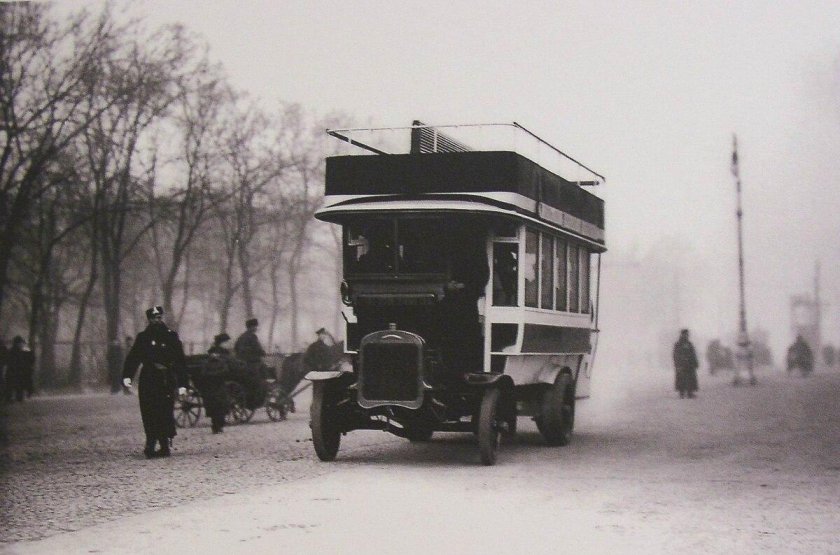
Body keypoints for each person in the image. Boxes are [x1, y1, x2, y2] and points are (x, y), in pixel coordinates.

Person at [122, 306, 188, 458]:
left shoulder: (171, 336)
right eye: (154, 318)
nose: (157, 320)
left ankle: (165, 445)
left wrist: (183, 385)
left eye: (159, 317)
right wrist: (127, 376)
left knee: (165, 411)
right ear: (149, 320)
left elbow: (180, 361)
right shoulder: (143, 337)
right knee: (149, 412)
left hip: (166, 380)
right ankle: (150, 444)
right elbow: (134, 358)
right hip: (149, 379)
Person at [201, 333, 233, 434]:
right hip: (214, 387)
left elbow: (224, 371)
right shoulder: (209, 363)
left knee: (220, 406)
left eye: (216, 354)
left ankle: (219, 424)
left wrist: (212, 375)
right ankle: (215, 425)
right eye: (213, 353)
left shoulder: (220, 362)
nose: (215, 355)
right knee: (215, 406)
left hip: (217, 386)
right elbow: (204, 373)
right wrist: (215, 375)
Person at [233, 318, 267, 408]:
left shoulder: (241, 337)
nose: (256, 328)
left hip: (240, 363)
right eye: (255, 326)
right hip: (252, 363)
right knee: (264, 370)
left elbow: (236, 348)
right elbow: (257, 349)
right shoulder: (252, 337)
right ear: (252, 327)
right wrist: (262, 353)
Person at [6, 336, 35, 402]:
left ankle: (17, 397)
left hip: (16, 370)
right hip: (17, 370)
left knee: (17, 384)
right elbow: (31, 357)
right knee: (18, 384)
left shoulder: (14, 350)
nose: (21, 344)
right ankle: (17, 397)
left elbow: (31, 357)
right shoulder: (19, 350)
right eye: (20, 343)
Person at [673, 329, 699, 399]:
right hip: (682, 365)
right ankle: (681, 393)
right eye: (686, 334)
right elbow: (676, 355)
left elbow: (693, 354)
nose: (687, 335)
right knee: (682, 379)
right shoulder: (678, 344)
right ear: (682, 335)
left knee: (690, 379)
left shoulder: (689, 344)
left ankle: (690, 393)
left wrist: (695, 362)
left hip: (690, 365)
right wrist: (678, 364)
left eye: (687, 334)